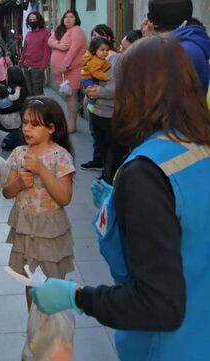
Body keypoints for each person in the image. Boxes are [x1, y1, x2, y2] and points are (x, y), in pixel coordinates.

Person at [31, 35, 210, 361]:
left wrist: (77, 296)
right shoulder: (198, 146)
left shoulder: (146, 172)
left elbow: (158, 306)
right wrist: (124, 208)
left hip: (168, 347)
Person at [3, 96, 75, 310]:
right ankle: (34, 324)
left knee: (51, 282)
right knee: (30, 282)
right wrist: (18, 184)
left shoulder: (60, 156)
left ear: (51, 128)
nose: (27, 129)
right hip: (25, 227)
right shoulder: (19, 153)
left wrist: (41, 170)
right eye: (25, 122)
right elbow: (6, 192)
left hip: (49, 230)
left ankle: (53, 331)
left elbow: (65, 197)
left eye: (34, 124)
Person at [142, 0, 210, 93]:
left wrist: (147, 46)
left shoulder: (180, 50)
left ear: (154, 22)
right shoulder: (192, 41)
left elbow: (156, 92)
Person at [80, 24, 116, 170]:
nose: (96, 38)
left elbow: (111, 84)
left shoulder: (113, 58)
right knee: (96, 136)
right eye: (94, 36)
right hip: (94, 104)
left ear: (108, 38)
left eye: (100, 36)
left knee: (107, 142)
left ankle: (106, 167)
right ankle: (98, 160)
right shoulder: (92, 55)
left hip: (107, 109)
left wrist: (98, 91)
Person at [48, 9, 87, 133]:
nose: (68, 19)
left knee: (71, 96)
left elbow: (74, 50)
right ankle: (70, 121)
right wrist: (57, 44)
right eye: (66, 17)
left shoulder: (77, 31)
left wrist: (66, 64)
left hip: (71, 70)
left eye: (71, 17)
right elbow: (50, 40)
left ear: (76, 19)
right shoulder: (60, 30)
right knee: (68, 97)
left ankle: (72, 125)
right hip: (61, 73)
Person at [0, 66, 29, 150]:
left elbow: (16, 107)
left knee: (5, 146)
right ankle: (16, 133)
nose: (5, 77)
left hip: (18, 120)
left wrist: (1, 108)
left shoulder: (17, 90)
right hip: (16, 118)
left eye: (7, 75)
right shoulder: (17, 88)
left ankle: (19, 133)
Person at [19, 11, 51, 96]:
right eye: (30, 20)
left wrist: (42, 67)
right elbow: (25, 49)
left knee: (38, 91)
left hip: (37, 67)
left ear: (39, 20)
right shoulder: (29, 34)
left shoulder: (46, 32)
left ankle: (41, 109)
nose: (32, 21)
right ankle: (32, 108)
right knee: (29, 90)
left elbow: (47, 51)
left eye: (34, 19)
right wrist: (20, 63)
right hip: (26, 66)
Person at [81, 36, 111, 110]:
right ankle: (91, 104)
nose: (105, 52)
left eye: (107, 50)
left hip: (89, 77)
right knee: (93, 90)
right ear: (95, 50)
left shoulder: (99, 58)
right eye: (102, 50)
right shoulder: (95, 61)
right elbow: (94, 72)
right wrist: (105, 77)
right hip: (88, 79)